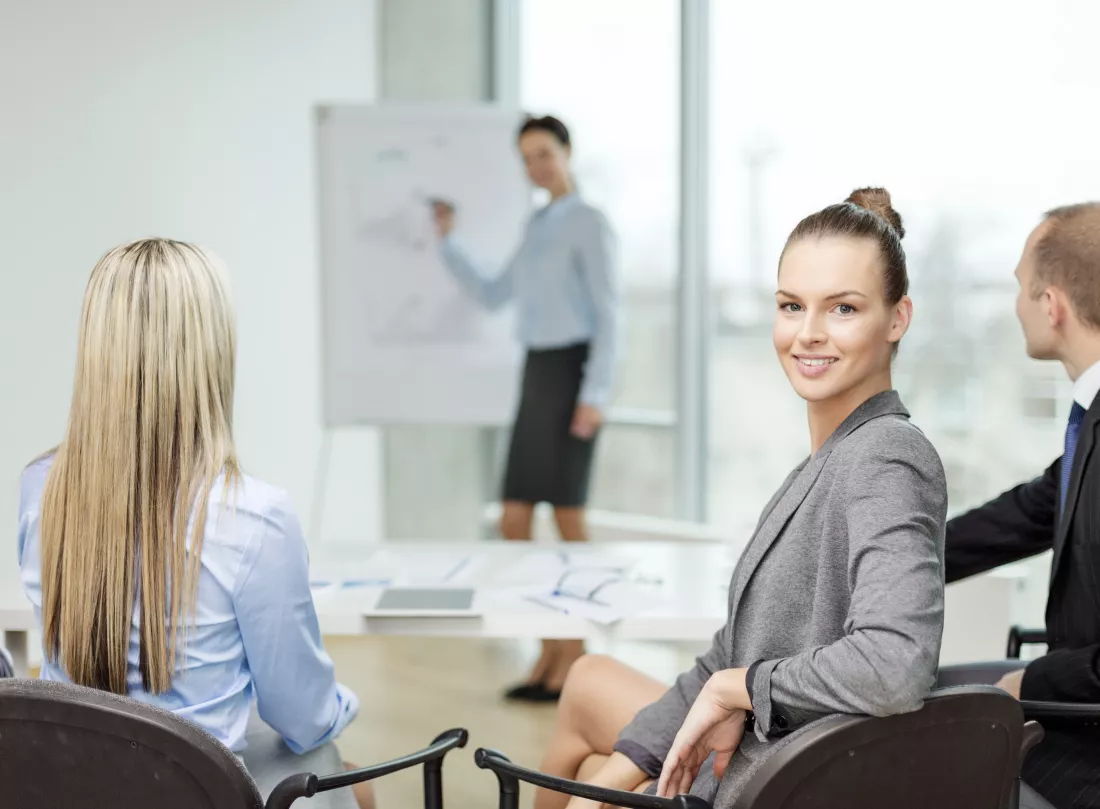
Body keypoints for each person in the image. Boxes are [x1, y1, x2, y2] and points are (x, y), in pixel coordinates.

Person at [533, 189, 948, 809]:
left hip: (788, 775)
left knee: (586, 769)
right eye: (791, 306)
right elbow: (734, 651)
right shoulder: (830, 456)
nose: (807, 334)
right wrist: (621, 774)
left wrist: (746, 689)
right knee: (590, 699)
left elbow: (897, 662)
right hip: (768, 750)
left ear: (897, 319)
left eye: (842, 308)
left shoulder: (886, 457)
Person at [17, 239, 373, 809]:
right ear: (210, 350)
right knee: (344, 773)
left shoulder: (41, 488)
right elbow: (302, 717)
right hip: (193, 792)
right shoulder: (254, 516)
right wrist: (341, 703)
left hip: (70, 783)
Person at [432, 114, 620, 701]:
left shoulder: (588, 221)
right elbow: (493, 292)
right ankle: (552, 647)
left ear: (567, 152)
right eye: (527, 158)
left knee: (567, 520)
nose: (536, 166)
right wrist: (448, 241)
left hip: (572, 373)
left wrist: (594, 395)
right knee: (514, 517)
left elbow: (612, 314)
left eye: (544, 153)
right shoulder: (538, 223)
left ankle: (577, 657)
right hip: (537, 373)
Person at [941, 202, 1100, 809]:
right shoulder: (1091, 423)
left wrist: (1029, 680)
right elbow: (1032, 511)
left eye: (1019, 288)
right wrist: (902, 557)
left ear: (1052, 305)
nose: (1015, 306)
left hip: (1084, 749)